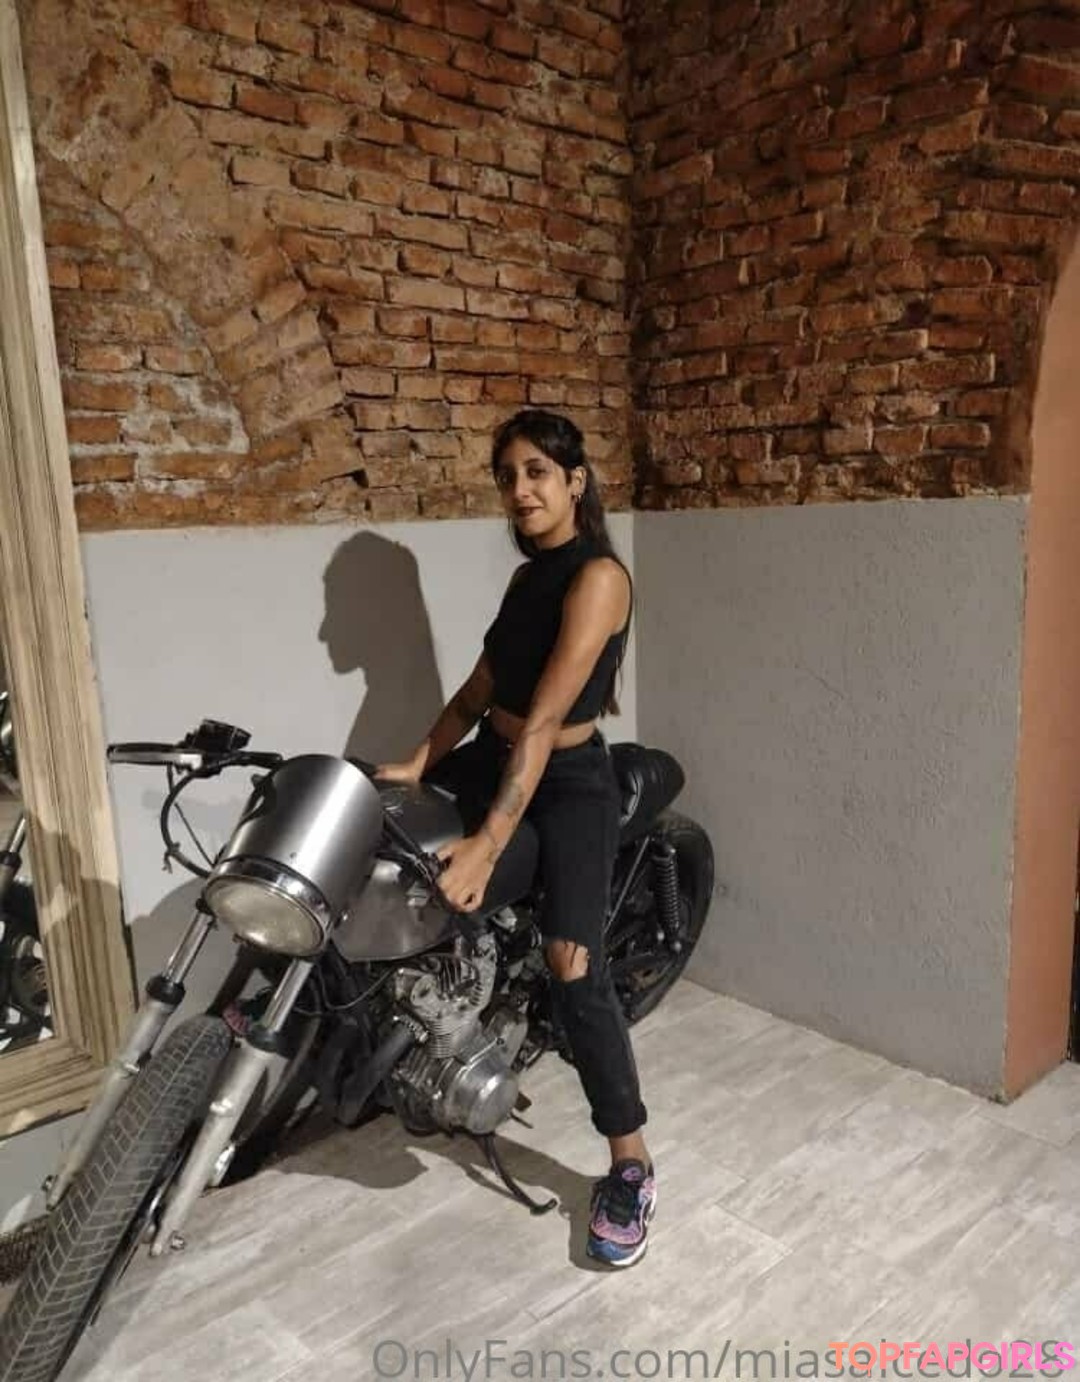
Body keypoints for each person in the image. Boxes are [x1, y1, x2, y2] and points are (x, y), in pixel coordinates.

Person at [376, 409, 655, 1268]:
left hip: (566, 779)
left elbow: (540, 724)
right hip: (495, 757)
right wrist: (414, 764)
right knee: (384, 853)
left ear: (575, 481)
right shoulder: (529, 578)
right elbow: (477, 695)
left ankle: (631, 1164)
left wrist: (488, 844)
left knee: (574, 964)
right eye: (508, 477)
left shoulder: (598, 577)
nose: (521, 490)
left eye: (537, 472)